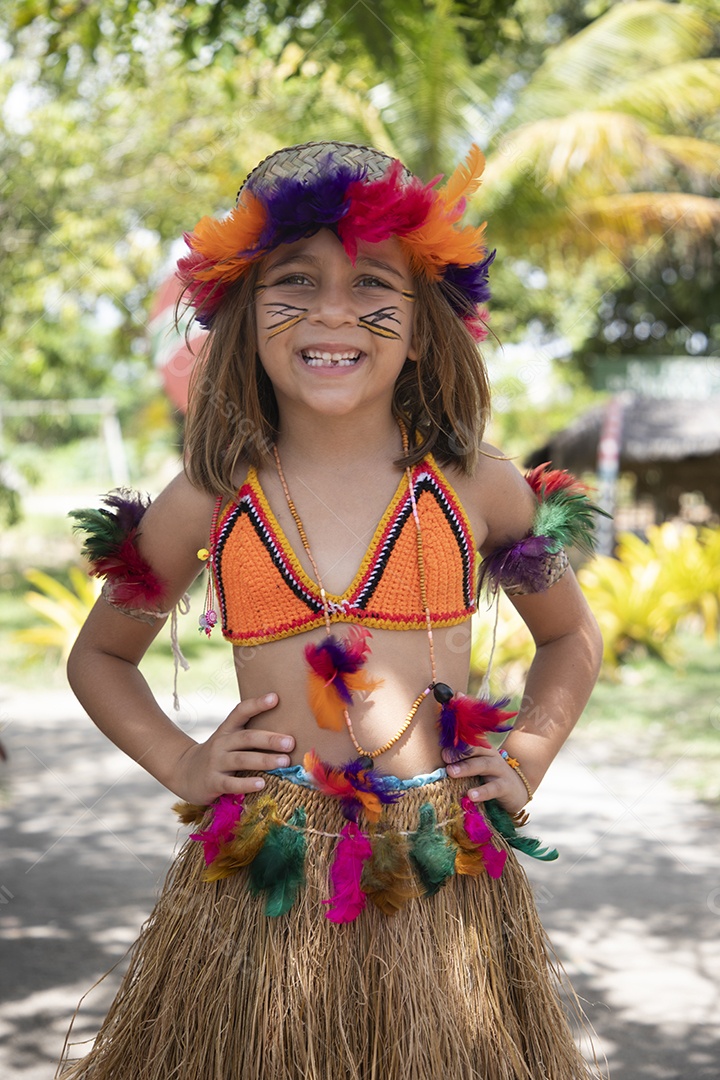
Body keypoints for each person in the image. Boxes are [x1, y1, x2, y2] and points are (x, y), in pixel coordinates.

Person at [59, 141, 605, 1080]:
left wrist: (528, 755)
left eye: (372, 285)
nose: (332, 310)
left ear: (427, 325)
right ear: (243, 316)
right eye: (296, 282)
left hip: (439, 880)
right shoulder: (211, 494)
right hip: (263, 886)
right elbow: (99, 657)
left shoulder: (479, 484)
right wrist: (185, 763)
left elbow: (569, 636)